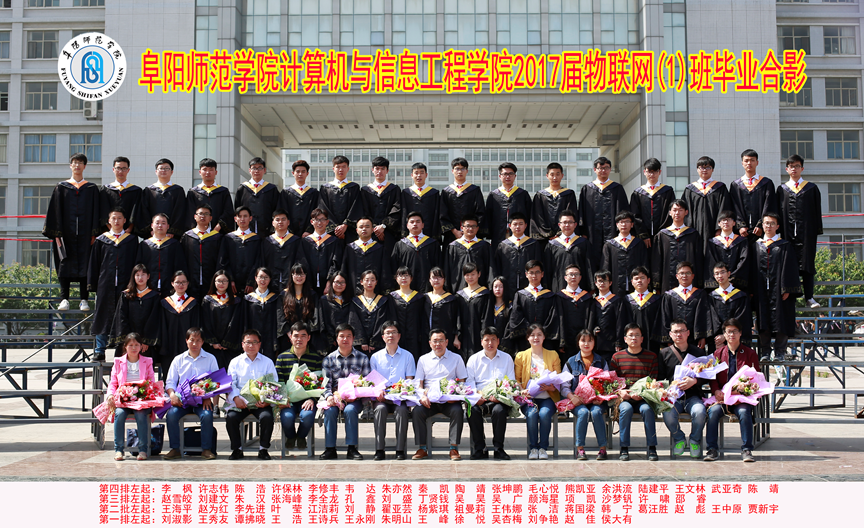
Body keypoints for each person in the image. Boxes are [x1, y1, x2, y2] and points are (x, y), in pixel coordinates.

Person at [43, 153, 101, 311]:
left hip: (86, 235)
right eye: (75, 162)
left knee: (85, 264)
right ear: (70, 165)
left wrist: (94, 233)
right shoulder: (61, 188)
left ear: (85, 166)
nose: (77, 165)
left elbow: (96, 212)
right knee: (64, 264)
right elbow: (54, 211)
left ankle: (84, 299)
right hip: (65, 235)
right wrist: (56, 234)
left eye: (80, 163)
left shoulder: (91, 189)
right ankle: (64, 299)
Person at [705, 318, 760, 463]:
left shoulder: (750, 353)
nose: (732, 335)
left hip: (741, 397)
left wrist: (743, 390)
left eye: (735, 331)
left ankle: (747, 449)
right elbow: (712, 377)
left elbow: (757, 377)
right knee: (713, 412)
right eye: (728, 332)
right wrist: (716, 391)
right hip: (722, 397)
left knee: (744, 412)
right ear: (724, 334)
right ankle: (712, 449)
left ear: (740, 333)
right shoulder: (717, 354)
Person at [88, 207, 139, 360]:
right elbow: (94, 264)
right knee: (102, 315)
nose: (116, 221)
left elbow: (136, 262)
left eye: (119, 218)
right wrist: (93, 285)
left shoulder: (131, 240)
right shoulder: (101, 240)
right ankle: (100, 350)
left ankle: (122, 350)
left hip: (125, 285)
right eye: (113, 218)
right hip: (105, 284)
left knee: (123, 317)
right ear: (109, 221)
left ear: (125, 221)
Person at [411, 328, 469, 461]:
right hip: (430, 401)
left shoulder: (456, 358)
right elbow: (418, 383)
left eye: (441, 340)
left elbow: (462, 382)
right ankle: (422, 448)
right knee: (417, 412)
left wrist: (455, 396)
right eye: (435, 341)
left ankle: (453, 448)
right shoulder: (423, 359)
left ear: (447, 342)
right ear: (430, 343)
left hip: (449, 401)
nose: (438, 344)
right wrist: (422, 396)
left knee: (457, 411)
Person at [163, 328, 219, 460]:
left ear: (203, 342)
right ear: (186, 341)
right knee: (171, 415)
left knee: (207, 415)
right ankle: (175, 448)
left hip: (202, 400)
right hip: (182, 401)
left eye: (198, 340)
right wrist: (172, 395)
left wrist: (208, 397)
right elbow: (170, 382)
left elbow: (216, 381)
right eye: (192, 340)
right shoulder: (178, 359)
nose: (194, 343)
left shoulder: (210, 358)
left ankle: (206, 449)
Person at [319, 323, 371, 460]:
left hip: (355, 399)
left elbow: (367, 383)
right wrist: (329, 396)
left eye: (349, 336)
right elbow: (325, 384)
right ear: (336, 339)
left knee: (350, 410)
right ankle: (330, 449)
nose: (345, 339)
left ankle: (352, 448)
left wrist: (356, 395)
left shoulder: (362, 358)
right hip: (335, 398)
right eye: (342, 336)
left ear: (353, 338)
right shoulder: (329, 359)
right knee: (330, 411)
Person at [755, 212, 802, 361]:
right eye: (766, 223)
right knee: (763, 320)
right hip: (762, 289)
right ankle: (765, 352)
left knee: (782, 319)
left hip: (780, 290)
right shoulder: (756, 246)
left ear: (777, 226)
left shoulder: (785, 246)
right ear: (762, 225)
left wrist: (787, 288)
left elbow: (790, 268)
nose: (768, 226)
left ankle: (780, 352)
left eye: (772, 223)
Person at [778, 154, 823, 308]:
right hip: (787, 234)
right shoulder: (782, 190)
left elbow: (817, 212)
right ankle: (790, 298)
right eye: (791, 166)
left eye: (797, 166)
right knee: (788, 265)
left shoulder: (811, 188)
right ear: (787, 169)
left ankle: (809, 297)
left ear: (802, 168)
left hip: (807, 235)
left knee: (807, 265)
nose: (794, 169)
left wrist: (815, 231)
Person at [658, 319, 708, 459]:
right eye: (675, 331)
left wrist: (695, 381)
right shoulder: (664, 354)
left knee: (700, 412)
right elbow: (660, 378)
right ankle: (679, 438)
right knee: (667, 412)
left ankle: (694, 440)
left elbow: (708, 376)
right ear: (670, 334)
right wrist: (669, 387)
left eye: (682, 331)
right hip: (674, 398)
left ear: (688, 333)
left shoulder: (698, 352)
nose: (679, 334)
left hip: (693, 396)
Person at [225, 329, 278, 460]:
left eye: (255, 342)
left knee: (267, 417)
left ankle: (263, 449)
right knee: (231, 418)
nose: (251, 345)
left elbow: (273, 383)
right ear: (242, 344)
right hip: (240, 402)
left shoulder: (267, 362)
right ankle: (237, 449)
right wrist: (236, 398)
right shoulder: (235, 362)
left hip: (260, 403)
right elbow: (231, 384)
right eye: (248, 342)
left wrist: (266, 401)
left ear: (259, 344)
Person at [611, 324, 660, 462]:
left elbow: (654, 381)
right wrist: (620, 392)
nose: (634, 338)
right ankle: (624, 447)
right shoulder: (617, 357)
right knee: (625, 410)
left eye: (637, 335)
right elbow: (612, 382)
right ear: (625, 339)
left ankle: (652, 447)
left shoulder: (651, 357)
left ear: (642, 338)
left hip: (644, 398)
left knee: (647, 410)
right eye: (631, 335)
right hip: (624, 399)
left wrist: (642, 394)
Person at [466, 327, 515, 460]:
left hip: (499, 399)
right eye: (486, 340)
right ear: (481, 342)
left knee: (499, 411)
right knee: (472, 411)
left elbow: (511, 382)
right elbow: (469, 383)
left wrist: (500, 397)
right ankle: (480, 448)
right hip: (480, 398)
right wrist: (477, 397)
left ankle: (499, 448)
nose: (490, 343)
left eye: (493, 339)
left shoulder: (507, 358)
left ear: (498, 341)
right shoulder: (473, 359)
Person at [370, 321, 416, 461]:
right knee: (379, 410)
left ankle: (400, 449)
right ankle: (379, 449)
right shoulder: (375, 357)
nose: (391, 335)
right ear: (383, 337)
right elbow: (373, 381)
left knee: (402, 411)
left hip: (400, 398)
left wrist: (401, 391)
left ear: (399, 336)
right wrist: (380, 390)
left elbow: (409, 380)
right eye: (388, 333)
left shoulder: (408, 356)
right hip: (382, 398)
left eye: (394, 332)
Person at [560, 330, 610, 461]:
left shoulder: (601, 362)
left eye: (590, 340)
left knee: (596, 412)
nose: (586, 344)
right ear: (578, 343)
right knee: (583, 413)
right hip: (578, 401)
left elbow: (608, 384)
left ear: (594, 343)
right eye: (583, 340)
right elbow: (564, 386)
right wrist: (572, 397)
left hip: (596, 401)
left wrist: (601, 397)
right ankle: (580, 449)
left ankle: (602, 449)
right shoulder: (570, 362)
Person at [106, 333, 155, 461]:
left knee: (141, 414)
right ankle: (119, 450)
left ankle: (143, 450)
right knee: (119, 414)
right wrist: (110, 394)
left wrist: (143, 392)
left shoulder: (147, 361)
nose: (134, 348)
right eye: (131, 345)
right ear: (125, 347)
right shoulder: (118, 362)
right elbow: (113, 382)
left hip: (141, 399)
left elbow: (151, 381)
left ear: (141, 346)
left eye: (136, 345)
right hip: (124, 399)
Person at [515, 324, 561, 460]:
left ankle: (543, 448)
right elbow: (516, 379)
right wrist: (522, 391)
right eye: (533, 335)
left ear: (544, 337)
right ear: (528, 338)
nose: (536, 337)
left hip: (548, 397)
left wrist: (551, 387)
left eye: (539, 334)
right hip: (529, 398)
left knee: (545, 414)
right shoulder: (521, 356)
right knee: (532, 414)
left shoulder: (553, 355)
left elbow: (558, 378)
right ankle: (533, 448)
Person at [276, 322, 324, 452]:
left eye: (303, 336)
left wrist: (312, 399)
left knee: (307, 416)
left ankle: (301, 436)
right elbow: (279, 381)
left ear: (309, 338)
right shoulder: (282, 358)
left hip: (307, 399)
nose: (299, 339)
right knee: (287, 418)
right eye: (296, 336)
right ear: (290, 337)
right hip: (288, 400)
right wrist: (282, 399)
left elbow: (320, 382)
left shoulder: (315, 358)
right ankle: (291, 437)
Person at [579, 156, 630, 273]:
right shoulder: (587, 189)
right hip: (592, 234)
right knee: (592, 259)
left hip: (613, 232)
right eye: (600, 168)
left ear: (610, 169)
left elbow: (624, 212)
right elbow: (581, 211)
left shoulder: (617, 188)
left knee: (612, 258)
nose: (603, 170)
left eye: (606, 168)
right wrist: (583, 232)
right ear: (595, 170)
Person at [651, 199, 704, 294]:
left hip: (689, 280)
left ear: (686, 212)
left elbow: (699, 259)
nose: (677, 213)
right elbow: (656, 261)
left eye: (680, 210)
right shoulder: (662, 235)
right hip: (667, 279)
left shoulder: (693, 234)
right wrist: (656, 283)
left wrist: (699, 280)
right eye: (674, 210)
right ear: (670, 212)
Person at [507, 261, 559, 353]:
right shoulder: (520, 295)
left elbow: (553, 317)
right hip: (525, 338)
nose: (534, 276)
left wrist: (541, 333)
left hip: (545, 339)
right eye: (531, 272)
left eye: (537, 272)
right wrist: (531, 331)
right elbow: (516, 316)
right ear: (526, 274)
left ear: (542, 274)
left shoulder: (550, 296)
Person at [682, 156, 732, 253]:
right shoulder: (690, 189)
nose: (704, 170)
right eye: (701, 167)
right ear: (697, 169)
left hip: (713, 229)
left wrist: (719, 229)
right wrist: (688, 228)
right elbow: (685, 211)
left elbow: (724, 208)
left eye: (708, 167)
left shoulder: (720, 188)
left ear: (712, 169)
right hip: (694, 229)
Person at [110, 264, 161, 357]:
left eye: (143, 274)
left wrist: (146, 341)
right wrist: (130, 341)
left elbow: (154, 319)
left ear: (148, 276)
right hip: (128, 343)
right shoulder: (126, 295)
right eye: (137, 275)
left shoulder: (154, 296)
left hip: (146, 345)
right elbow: (121, 317)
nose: (140, 278)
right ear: (133, 277)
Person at [730, 149, 777, 248]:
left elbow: (769, 205)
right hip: (742, 232)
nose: (749, 163)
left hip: (761, 232)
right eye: (746, 160)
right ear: (742, 163)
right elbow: (734, 206)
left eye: (752, 160)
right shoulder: (735, 185)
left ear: (757, 162)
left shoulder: (766, 183)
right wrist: (740, 226)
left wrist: (761, 225)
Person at [659, 261, 710, 348]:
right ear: (677, 276)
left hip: (695, 340)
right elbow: (665, 318)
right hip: (675, 339)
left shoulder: (700, 294)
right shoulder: (669, 296)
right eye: (681, 273)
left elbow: (704, 317)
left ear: (693, 276)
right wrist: (668, 339)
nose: (684, 276)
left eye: (688, 273)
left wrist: (702, 336)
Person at [200, 270, 244, 369]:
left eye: (224, 281)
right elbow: (205, 321)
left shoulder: (236, 301)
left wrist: (227, 342)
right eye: (219, 281)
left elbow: (236, 322)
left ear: (229, 283)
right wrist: (213, 342)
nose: (221, 283)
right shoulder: (207, 300)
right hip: (212, 347)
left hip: (230, 346)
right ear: (214, 282)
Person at [359, 156, 402, 258]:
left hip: (389, 233)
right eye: (377, 168)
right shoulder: (365, 190)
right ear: (372, 170)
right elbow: (363, 210)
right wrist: (374, 228)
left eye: (383, 169)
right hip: (370, 233)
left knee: (389, 260)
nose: (379, 171)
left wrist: (383, 226)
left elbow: (397, 209)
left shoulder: (394, 189)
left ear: (387, 171)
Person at [132, 158, 186, 238]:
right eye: (161, 168)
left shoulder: (178, 190)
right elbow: (144, 211)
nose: (163, 170)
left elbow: (180, 211)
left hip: (171, 236)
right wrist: (150, 230)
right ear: (156, 171)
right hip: (152, 234)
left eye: (167, 168)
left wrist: (172, 230)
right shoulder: (148, 191)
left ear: (172, 172)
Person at [136, 213, 187, 298]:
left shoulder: (175, 244)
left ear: (168, 226)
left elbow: (180, 265)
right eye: (157, 223)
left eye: (163, 223)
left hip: (170, 288)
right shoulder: (144, 245)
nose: (160, 225)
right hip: (148, 286)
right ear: (152, 225)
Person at [493, 212, 543, 297]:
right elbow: (498, 267)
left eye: (521, 224)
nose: (517, 227)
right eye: (515, 224)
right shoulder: (503, 246)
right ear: (509, 225)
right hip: (508, 285)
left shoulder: (533, 244)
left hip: (528, 286)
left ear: (525, 225)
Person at [159, 270, 201, 373]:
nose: (181, 285)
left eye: (183, 282)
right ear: (172, 283)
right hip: (169, 343)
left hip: (187, 343)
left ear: (188, 283)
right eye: (177, 282)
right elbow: (162, 325)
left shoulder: (193, 303)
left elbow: (196, 324)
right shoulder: (165, 303)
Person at [180, 205, 223, 300]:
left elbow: (221, 259)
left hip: (211, 280)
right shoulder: (187, 236)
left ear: (211, 218)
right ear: (195, 217)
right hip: (191, 280)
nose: (203, 216)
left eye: (206, 214)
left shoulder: (217, 237)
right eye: (200, 214)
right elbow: (181, 259)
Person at [543, 209, 592, 293]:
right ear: (559, 225)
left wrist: (591, 287)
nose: (567, 225)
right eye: (564, 222)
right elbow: (547, 268)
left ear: (575, 225)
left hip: (580, 288)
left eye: (570, 222)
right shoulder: (552, 245)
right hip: (558, 286)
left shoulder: (583, 243)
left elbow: (589, 266)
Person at [391, 211, 441, 293]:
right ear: (407, 225)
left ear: (423, 225)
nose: (415, 224)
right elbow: (394, 267)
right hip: (406, 288)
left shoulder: (432, 244)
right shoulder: (400, 245)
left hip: (428, 287)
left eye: (418, 222)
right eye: (412, 222)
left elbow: (438, 265)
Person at [586, 270, 631, 362]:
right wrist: (593, 329)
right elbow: (590, 320)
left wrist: (619, 342)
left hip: (612, 343)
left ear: (610, 283)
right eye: (599, 281)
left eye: (605, 281)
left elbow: (620, 322)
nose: (602, 283)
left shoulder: (617, 301)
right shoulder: (593, 301)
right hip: (597, 342)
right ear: (595, 283)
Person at [600, 210, 648, 295]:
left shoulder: (639, 243)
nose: (624, 224)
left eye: (627, 222)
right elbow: (606, 267)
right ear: (617, 224)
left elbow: (644, 264)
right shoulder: (609, 245)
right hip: (616, 287)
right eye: (621, 222)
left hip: (636, 288)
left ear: (632, 224)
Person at [440, 157, 486, 246]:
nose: (460, 172)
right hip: (452, 235)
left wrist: (469, 230)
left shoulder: (474, 190)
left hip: (472, 234)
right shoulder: (446, 192)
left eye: (462, 169)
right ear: (452, 171)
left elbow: (480, 212)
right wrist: (454, 231)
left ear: (467, 171)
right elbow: (443, 214)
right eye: (457, 169)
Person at [217, 206, 263, 295]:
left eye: (245, 216)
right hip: (232, 284)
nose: (242, 219)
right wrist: (230, 279)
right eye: (239, 216)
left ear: (250, 218)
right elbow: (223, 261)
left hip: (252, 284)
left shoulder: (257, 239)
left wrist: (251, 281)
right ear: (235, 219)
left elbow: (258, 261)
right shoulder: (228, 238)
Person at [485, 162, 532, 248]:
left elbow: (529, 215)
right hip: (499, 233)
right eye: (505, 174)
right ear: (500, 176)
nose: (508, 176)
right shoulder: (493, 195)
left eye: (511, 174)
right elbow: (488, 216)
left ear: (515, 176)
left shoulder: (522, 194)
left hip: (519, 234)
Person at [630, 158, 674, 248]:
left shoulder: (667, 191)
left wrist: (663, 232)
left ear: (660, 172)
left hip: (663, 236)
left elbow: (670, 213)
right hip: (643, 239)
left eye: (655, 171)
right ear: (644, 172)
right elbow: (635, 215)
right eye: (649, 171)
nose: (652, 174)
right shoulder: (638, 193)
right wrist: (643, 234)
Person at [342, 216, 393, 294]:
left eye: (367, 226)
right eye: (361, 227)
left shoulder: (380, 249)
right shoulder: (350, 248)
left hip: (375, 293)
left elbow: (385, 271)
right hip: (353, 292)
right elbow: (344, 270)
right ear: (356, 230)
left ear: (372, 230)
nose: (364, 229)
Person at [318, 155, 363, 243]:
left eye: (343, 167)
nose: (340, 169)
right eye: (338, 167)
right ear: (333, 169)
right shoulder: (325, 188)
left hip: (350, 231)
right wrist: (336, 228)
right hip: (331, 232)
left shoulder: (354, 187)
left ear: (348, 169)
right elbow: (323, 208)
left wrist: (345, 225)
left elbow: (357, 208)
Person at [531, 162, 578, 245]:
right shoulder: (540, 195)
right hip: (544, 238)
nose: (555, 177)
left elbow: (571, 213)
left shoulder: (569, 194)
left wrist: (560, 233)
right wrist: (548, 233)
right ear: (547, 176)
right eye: (552, 175)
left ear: (562, 176)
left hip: (564, 236)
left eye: (558, 174)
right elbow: (538, 217)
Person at [349, 270, 395, 354]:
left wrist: (374, 341)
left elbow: (382, 321)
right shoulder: (355, 301)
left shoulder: (383, 300)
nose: (369, 283)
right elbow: (354, 321)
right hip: (360, 346)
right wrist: (362, 340)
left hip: (378, 344)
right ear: (361, 282)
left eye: (372, 280)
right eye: (367, 280)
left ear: (376, 282)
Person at [708, 262, 753, 349]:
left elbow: (742, 317)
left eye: (722, 272)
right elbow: (713, 319)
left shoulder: (741, 296)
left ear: (729, 274)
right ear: (714, 276)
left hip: (736, 338)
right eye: (717, 273)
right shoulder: (711, 297)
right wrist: (719, 336)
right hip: (718, 340)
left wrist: (726, 335)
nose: (720, 276)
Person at [301, 208, 344, 297]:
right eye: (317, 220)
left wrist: (329, 283)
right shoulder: (305, 242)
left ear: (327, 222)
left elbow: (335, 263)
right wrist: (307, 284)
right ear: (312, 222)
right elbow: (303, 263)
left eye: (323, 219)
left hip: (328, 285)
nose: (320, 223)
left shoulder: (334, 241)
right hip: (309, 284)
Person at [444, 214, 492, 293]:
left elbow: (490, 268)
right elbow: (447, 269)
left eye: (473, 226)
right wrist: (447, 287)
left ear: (477, 228)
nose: (470, 229)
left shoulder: (484, 246)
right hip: (458, 288)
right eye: (468, 226)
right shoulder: (453, 246)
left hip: (479, 289)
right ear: (462, 228)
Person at [703, 210, 749, 290]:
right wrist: (721, 276)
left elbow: (744, 261)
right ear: (719, 224)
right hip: (719, 284)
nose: (726, 222)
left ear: (734, 223)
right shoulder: (712, 242)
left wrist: (732, 278)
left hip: (737, 283)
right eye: (723, 220)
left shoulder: (742, 241)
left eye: (729, 220)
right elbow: (711, 262)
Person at [457, 262, 495, 358]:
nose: (470, 277)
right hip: (463, 336)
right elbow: (456, 317)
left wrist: (485, 337)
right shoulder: (459, 295)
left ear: (479, 274)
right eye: (467, 275)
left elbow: (487, 317)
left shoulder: (485, 294)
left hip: (478, 334)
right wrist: (456, 336)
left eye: (473, 274)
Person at [555, 264, 591, 365]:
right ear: (565, 277)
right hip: (566, 338)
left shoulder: (587, 297)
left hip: (583, 338)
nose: (573, 277)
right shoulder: (559, 297)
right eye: (570, 274)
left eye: (576, 274)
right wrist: (561, 341)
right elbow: (557, 320)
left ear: (580, 277)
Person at [234, 157, 280, 236]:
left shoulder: (271, 189)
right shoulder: (242, 189)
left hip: (267, 231)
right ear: (249, 170)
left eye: (260, 168)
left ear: (264, 170)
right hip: (246, 231)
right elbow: (237, 210)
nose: (257, 171)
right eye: (254, 168)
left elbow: (276, 210)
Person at [276, 263, 316, 353]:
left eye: (302, 274)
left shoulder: (312, 295)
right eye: (297, 274)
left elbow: (315, 317)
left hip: (307, 338)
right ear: (292, 275)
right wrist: (290, 335)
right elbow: (280, 317)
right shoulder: (283, 295)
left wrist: (305, 335)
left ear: (306, 275)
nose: (299, 277)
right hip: (287, 338)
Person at [185, 158, 233, 232]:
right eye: (204, 169)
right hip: (198, 233)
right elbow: (190, 213)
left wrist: (219, 226)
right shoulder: (193, 192)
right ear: (200, 172)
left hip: (219, 232)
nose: (207, 172)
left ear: (216, 172)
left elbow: (228, 211)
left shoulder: (223, 191)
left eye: (211, 170)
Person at [389, 267, 426, 362]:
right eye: (400, 275)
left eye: (406, 275)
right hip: (397, 334)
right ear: (396, 278)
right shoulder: (391, 297)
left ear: (411, 278)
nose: (404, 278)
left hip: (415, 335)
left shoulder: (419, 297)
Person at [261, 209, 302, 293]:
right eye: (277, 219)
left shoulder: (296, 241)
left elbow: (299, 261)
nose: (280, 222)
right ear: (273, 223)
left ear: (288, 222)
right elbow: (262, 262)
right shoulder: (267, 242)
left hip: (290, 283)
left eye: (283, 219)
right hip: (270, 282)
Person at [244, 267, 280, 361]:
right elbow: (245, 321)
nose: (263, 280)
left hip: (270, 337)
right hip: (253, 337)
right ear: (255, 278)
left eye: (266, 277)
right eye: (260, 277)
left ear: (270, 279)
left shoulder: (275, 298)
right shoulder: (248, 299)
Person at [424, 267, 462, 354]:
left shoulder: (451, 299)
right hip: (427, 338)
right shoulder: (425, 298)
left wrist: (456, 337)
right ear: (429, 280)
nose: (436, 280)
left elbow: (456, 319)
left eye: (439, 277)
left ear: (444, 279)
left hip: (446, 337)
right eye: (434, 277)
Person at [399, 162, 441, 241]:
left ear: (426, 175)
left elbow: (436, 215)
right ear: (412, 175)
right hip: (410, 233)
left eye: (422, 173)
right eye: (416, 173)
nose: (419, 175)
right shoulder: (405, 193)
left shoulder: (434, 193)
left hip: (429, 231)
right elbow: (403, 214)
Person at [99, 156, 141, 235]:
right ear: (113, 169)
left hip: (129, 234)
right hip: (109, 234)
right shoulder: (105, 190)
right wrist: (111, 229)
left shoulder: (136, 191)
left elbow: (137, 211)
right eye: (118, 168)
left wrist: (129, 229)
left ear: (128, 170)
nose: (121, 171)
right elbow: (103, 210)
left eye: (124, 168)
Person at [313, 271, 352, 354]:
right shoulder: (324, 300)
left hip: (347, 340)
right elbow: (322, 321)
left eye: (342, 282)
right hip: (330, 341)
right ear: (331, 283)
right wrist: (331, 338)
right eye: (336, 282)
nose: (339, 285)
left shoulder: (350, 301)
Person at [626, 266, 663, 352]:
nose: (639, 281)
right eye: (636, 278)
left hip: (652, 340)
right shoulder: (626, 300)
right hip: (632, 340)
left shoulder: (657, 299)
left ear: (648, 280)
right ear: (632, 282)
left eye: (642, 278)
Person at [279, 159, 320, 236]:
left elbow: (317, 213)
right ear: (293, 173)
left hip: (309, 234)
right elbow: (282, 212)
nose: (300, 174)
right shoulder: (285, 193)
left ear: (307, 173)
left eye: (303, 171)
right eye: (297, 171)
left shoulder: (314, 193)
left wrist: (309, 230)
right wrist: (288, 231)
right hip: (289, 234)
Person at [491, 277, 515, 357]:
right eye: (495, 287)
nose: (498, 289)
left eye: (501, 286)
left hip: (505, 343)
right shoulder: (489, 305)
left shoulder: (511, 306)